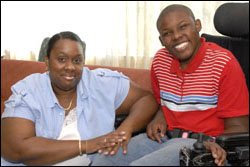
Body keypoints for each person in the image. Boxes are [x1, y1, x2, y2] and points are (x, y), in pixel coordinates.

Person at [91, 4, 249, 166]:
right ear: (161, 40)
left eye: (183, 27)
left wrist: (213, 144)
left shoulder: (223, 63)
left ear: (197, 25)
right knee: (103, 160)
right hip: (163, 137)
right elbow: (163, 103)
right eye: (167, 33)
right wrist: (160, 117)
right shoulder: (160, 61)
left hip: (202, 144)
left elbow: (239, 127)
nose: (176, 36)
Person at [1, 31, 159, 166]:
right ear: (47, 62)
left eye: (77, 61)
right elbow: (14, 149)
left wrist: (125, 130)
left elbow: (146, 99)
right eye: (62, 59)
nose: (70, 67)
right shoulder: (29, 90)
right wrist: (87, 145)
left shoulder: (100, 83)